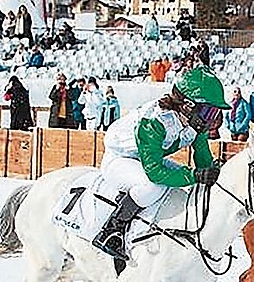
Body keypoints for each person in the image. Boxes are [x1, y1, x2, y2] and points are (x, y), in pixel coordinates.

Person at [93, 66, 230, 261]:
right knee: (152, 186)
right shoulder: (154, 121)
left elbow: (203, 158)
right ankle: (111, 231)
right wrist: (195, 175)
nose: (213, 119)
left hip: (146, 159)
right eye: (209, 111)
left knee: (190, 182)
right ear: (188, 105)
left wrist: (210, 173)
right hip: (120, 159)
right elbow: (155, 172)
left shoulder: (195, 124)